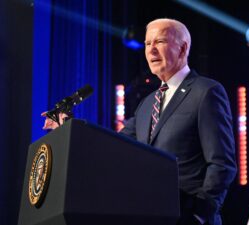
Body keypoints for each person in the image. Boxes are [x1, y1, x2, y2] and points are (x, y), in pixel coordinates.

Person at [43, 18, 237, 225]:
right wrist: (70, 128)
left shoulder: (205, 92)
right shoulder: (146, 104)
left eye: (160, 42)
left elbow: (221, 164)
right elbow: (112, 145)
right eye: (147, 43)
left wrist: (200, 213)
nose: (151, 50)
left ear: (182, 48)